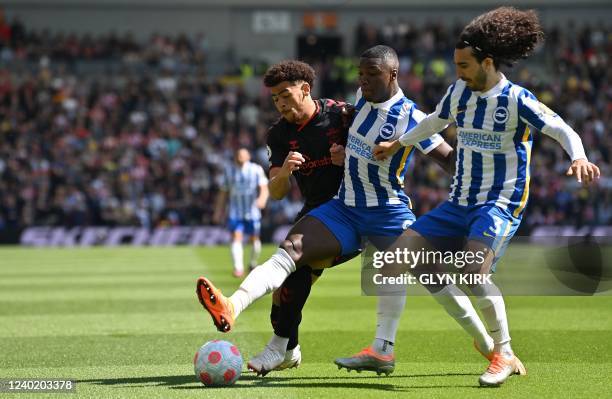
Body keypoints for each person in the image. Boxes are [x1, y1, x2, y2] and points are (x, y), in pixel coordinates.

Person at [197, 45, 492, 378]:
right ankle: (234, 306)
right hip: (344, 209)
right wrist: (340, 154)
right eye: (360, 74)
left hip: (388, 213)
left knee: (435, 278)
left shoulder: (411, 117)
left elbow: (446, 157)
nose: (363, 80)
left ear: (392, 75)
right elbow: (352, 140)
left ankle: (489, 345)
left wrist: (478, 165)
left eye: (371, 75)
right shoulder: (357, 104)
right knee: (291, 253)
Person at [371, 7, 601, 387]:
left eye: (464, 65)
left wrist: (578, 156)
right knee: (397, 256)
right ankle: (386, 349)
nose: (458, 72)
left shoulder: (516, 99)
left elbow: (562, 129)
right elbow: (434, 122)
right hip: (459, 201)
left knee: (470, 271)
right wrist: (398, 143)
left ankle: (504, 353)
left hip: (499, 203)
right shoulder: (460, 91)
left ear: (487, 62)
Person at [253, 59, 358, 373]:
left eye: (285, 94)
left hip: (353, 212)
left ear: (306, 89)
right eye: (275, 98)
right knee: (280, 296)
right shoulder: (279, 135)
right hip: (314, 213)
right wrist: (284, 172)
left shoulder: (343, 116)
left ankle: (278, 349)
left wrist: (347, 159)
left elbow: (377, 159)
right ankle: (290, 349)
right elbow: (277, 192)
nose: (280, 103)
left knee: (295, 270)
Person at [212, 148, 269, 277]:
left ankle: (252, 263)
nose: (240, 156)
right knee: (236, 237)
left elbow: (264, 188)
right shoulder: (229, 171)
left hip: (252, 211)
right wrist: (218, 211)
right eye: (238, 154)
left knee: (254, 239)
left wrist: (262, 200)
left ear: (249, 156)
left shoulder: (256, 169)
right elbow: (223, 193)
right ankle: (238, 267)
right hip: (235, 212)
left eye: (243, 154)